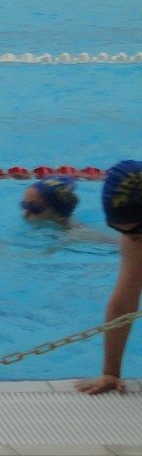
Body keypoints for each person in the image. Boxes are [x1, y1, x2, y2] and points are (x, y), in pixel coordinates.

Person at [75, 160, 142, 395]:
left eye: (135, 230)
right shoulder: (135, 241)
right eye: (119, 230)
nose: (130, 238)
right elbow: (124, 303)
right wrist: (111, 373)